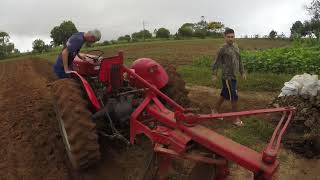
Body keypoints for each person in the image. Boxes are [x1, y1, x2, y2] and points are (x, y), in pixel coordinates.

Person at [211, 28, 246, 127]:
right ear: (225, 37)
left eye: (232, 37)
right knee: (233, 96)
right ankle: (235, 118)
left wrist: (242, 72)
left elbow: (240, 60)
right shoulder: (222, 48)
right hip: (227, 77)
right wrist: (214, 74)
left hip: (234, 76)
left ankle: (214, 110)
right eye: (229, 37)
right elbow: (216, 62)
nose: (231, 39)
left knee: (225, 94)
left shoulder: (236, 46)